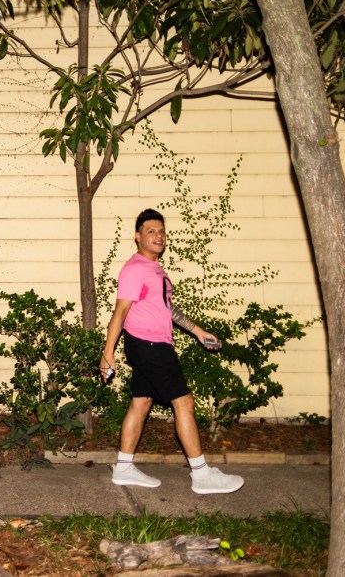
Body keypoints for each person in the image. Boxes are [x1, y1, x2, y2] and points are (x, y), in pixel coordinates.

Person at [100, 209, 244, 495]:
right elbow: (120, 312)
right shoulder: (135, 269)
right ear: (137, 236)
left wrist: (198, 332)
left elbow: (167, 307)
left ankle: (124, 467)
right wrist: (107, 353)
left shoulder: (155, 270)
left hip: (148, 345)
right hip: (150, 345)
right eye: (151, 231)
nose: (158, 236)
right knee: (184, 402)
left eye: (161, 231)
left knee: (141, 403)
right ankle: (201, 474)